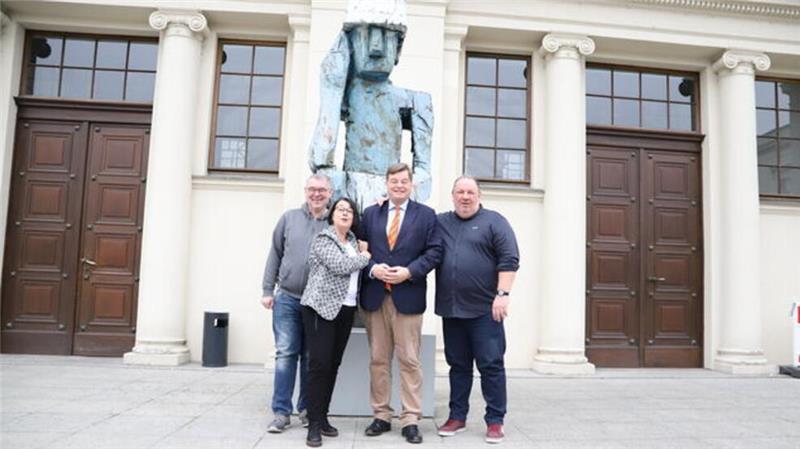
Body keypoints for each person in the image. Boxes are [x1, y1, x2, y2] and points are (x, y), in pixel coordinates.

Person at [308, 0, 434, 211]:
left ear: (399, 48)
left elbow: (424, 175)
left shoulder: (416, 102)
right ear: (350, 43)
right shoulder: (343, 95)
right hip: (348, 200)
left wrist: (394, 196)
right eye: (366, 35)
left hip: (392, 206)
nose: (376, 48)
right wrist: (331, 89)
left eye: (387, 36)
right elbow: (320, 166)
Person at [358, 163, 442, 444]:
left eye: (404, 181)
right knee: (378, 360)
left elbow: (434, 252)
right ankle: (381, 415)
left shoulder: (427, 216)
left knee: (409, 360)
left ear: (411, 184)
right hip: (375, 297)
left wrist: (410, 271)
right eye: (394, 181)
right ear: (386, 183)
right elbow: (358, 249)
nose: (398, 185)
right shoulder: (371, 213)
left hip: (408, 297)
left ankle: (410, 419)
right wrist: (372, 268)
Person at [435, 176, 520, 444]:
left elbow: (510, 259)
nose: (465, 197)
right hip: (452, 310)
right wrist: (383, 203)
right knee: (458, 366)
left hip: (486, 311)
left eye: (470, 192)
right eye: (460, 192)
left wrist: (502, 295)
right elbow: (412, 223)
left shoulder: (495, 221)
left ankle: (495, 420)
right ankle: (457, 417)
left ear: (478, 195)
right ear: (452, 196)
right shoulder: (440, 222)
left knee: (491, 365)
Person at [261, 174, 332, 433]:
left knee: (310, 356)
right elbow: (275, 253)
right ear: (305, 191)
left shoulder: (334, 223)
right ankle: (281, 412)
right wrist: (268, 290)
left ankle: (306, 409)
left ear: (329, 193)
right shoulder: (289, 218)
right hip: (288, 298)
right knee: (285, 354)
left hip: (317, 301)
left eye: (322, 190)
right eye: (312, 189)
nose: (316, 194)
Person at [300, 197, 371, 447]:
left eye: (350, 210)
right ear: (332, 215)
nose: (345, 213)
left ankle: (323, 416)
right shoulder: (324, 239)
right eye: (340, 209)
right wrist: (365, 256)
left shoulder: (352, 240)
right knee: (319, 365)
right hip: (320, 308)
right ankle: (313, 424)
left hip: (346, 309)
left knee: (333, 364)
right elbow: (341, 266)